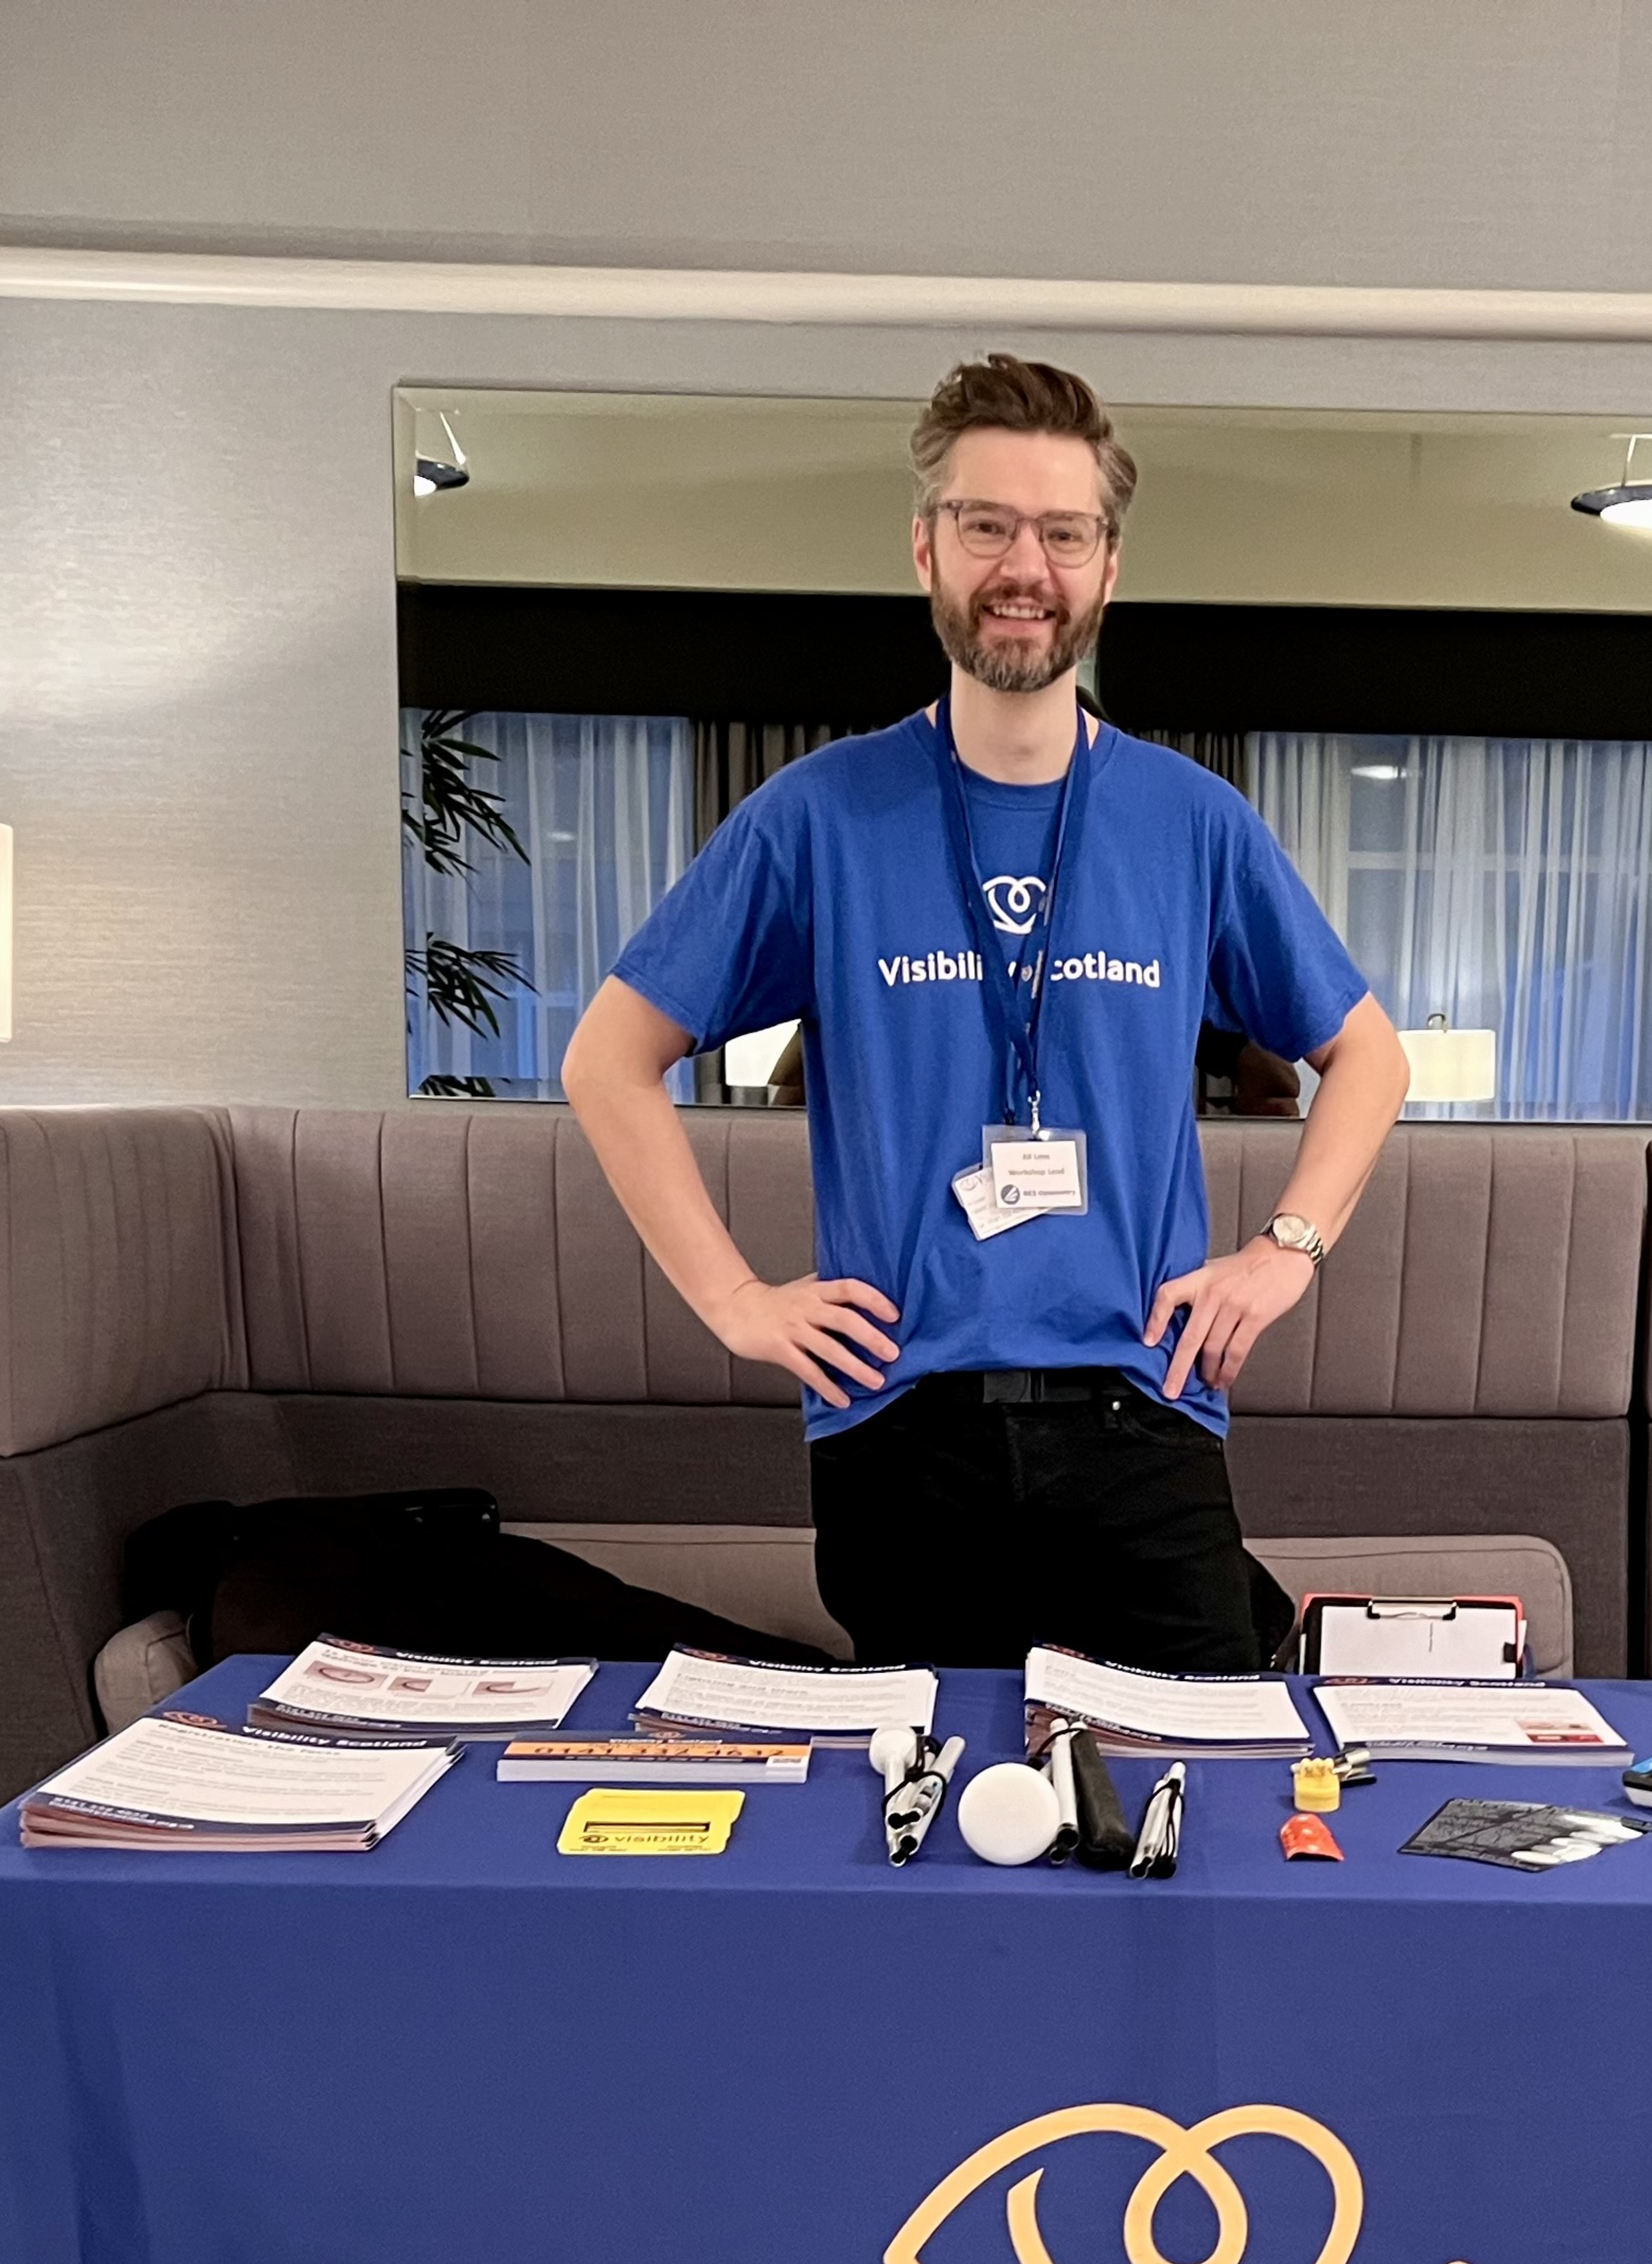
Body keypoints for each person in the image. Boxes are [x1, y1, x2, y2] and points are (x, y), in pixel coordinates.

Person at [560, 353, 1412, 1675]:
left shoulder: (1190, 824)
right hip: (900, 1431)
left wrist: (1287, 1249)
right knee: (936, 1843)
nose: (1027, 566)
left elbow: (1367, 1055)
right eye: (987, 525)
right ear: (927, 548)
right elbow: (610, 1061)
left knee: (1206, 1828)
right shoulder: (818, 819)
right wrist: (735, 1300)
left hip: (1146, 1412)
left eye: (1063, 533)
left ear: (1110, 565)